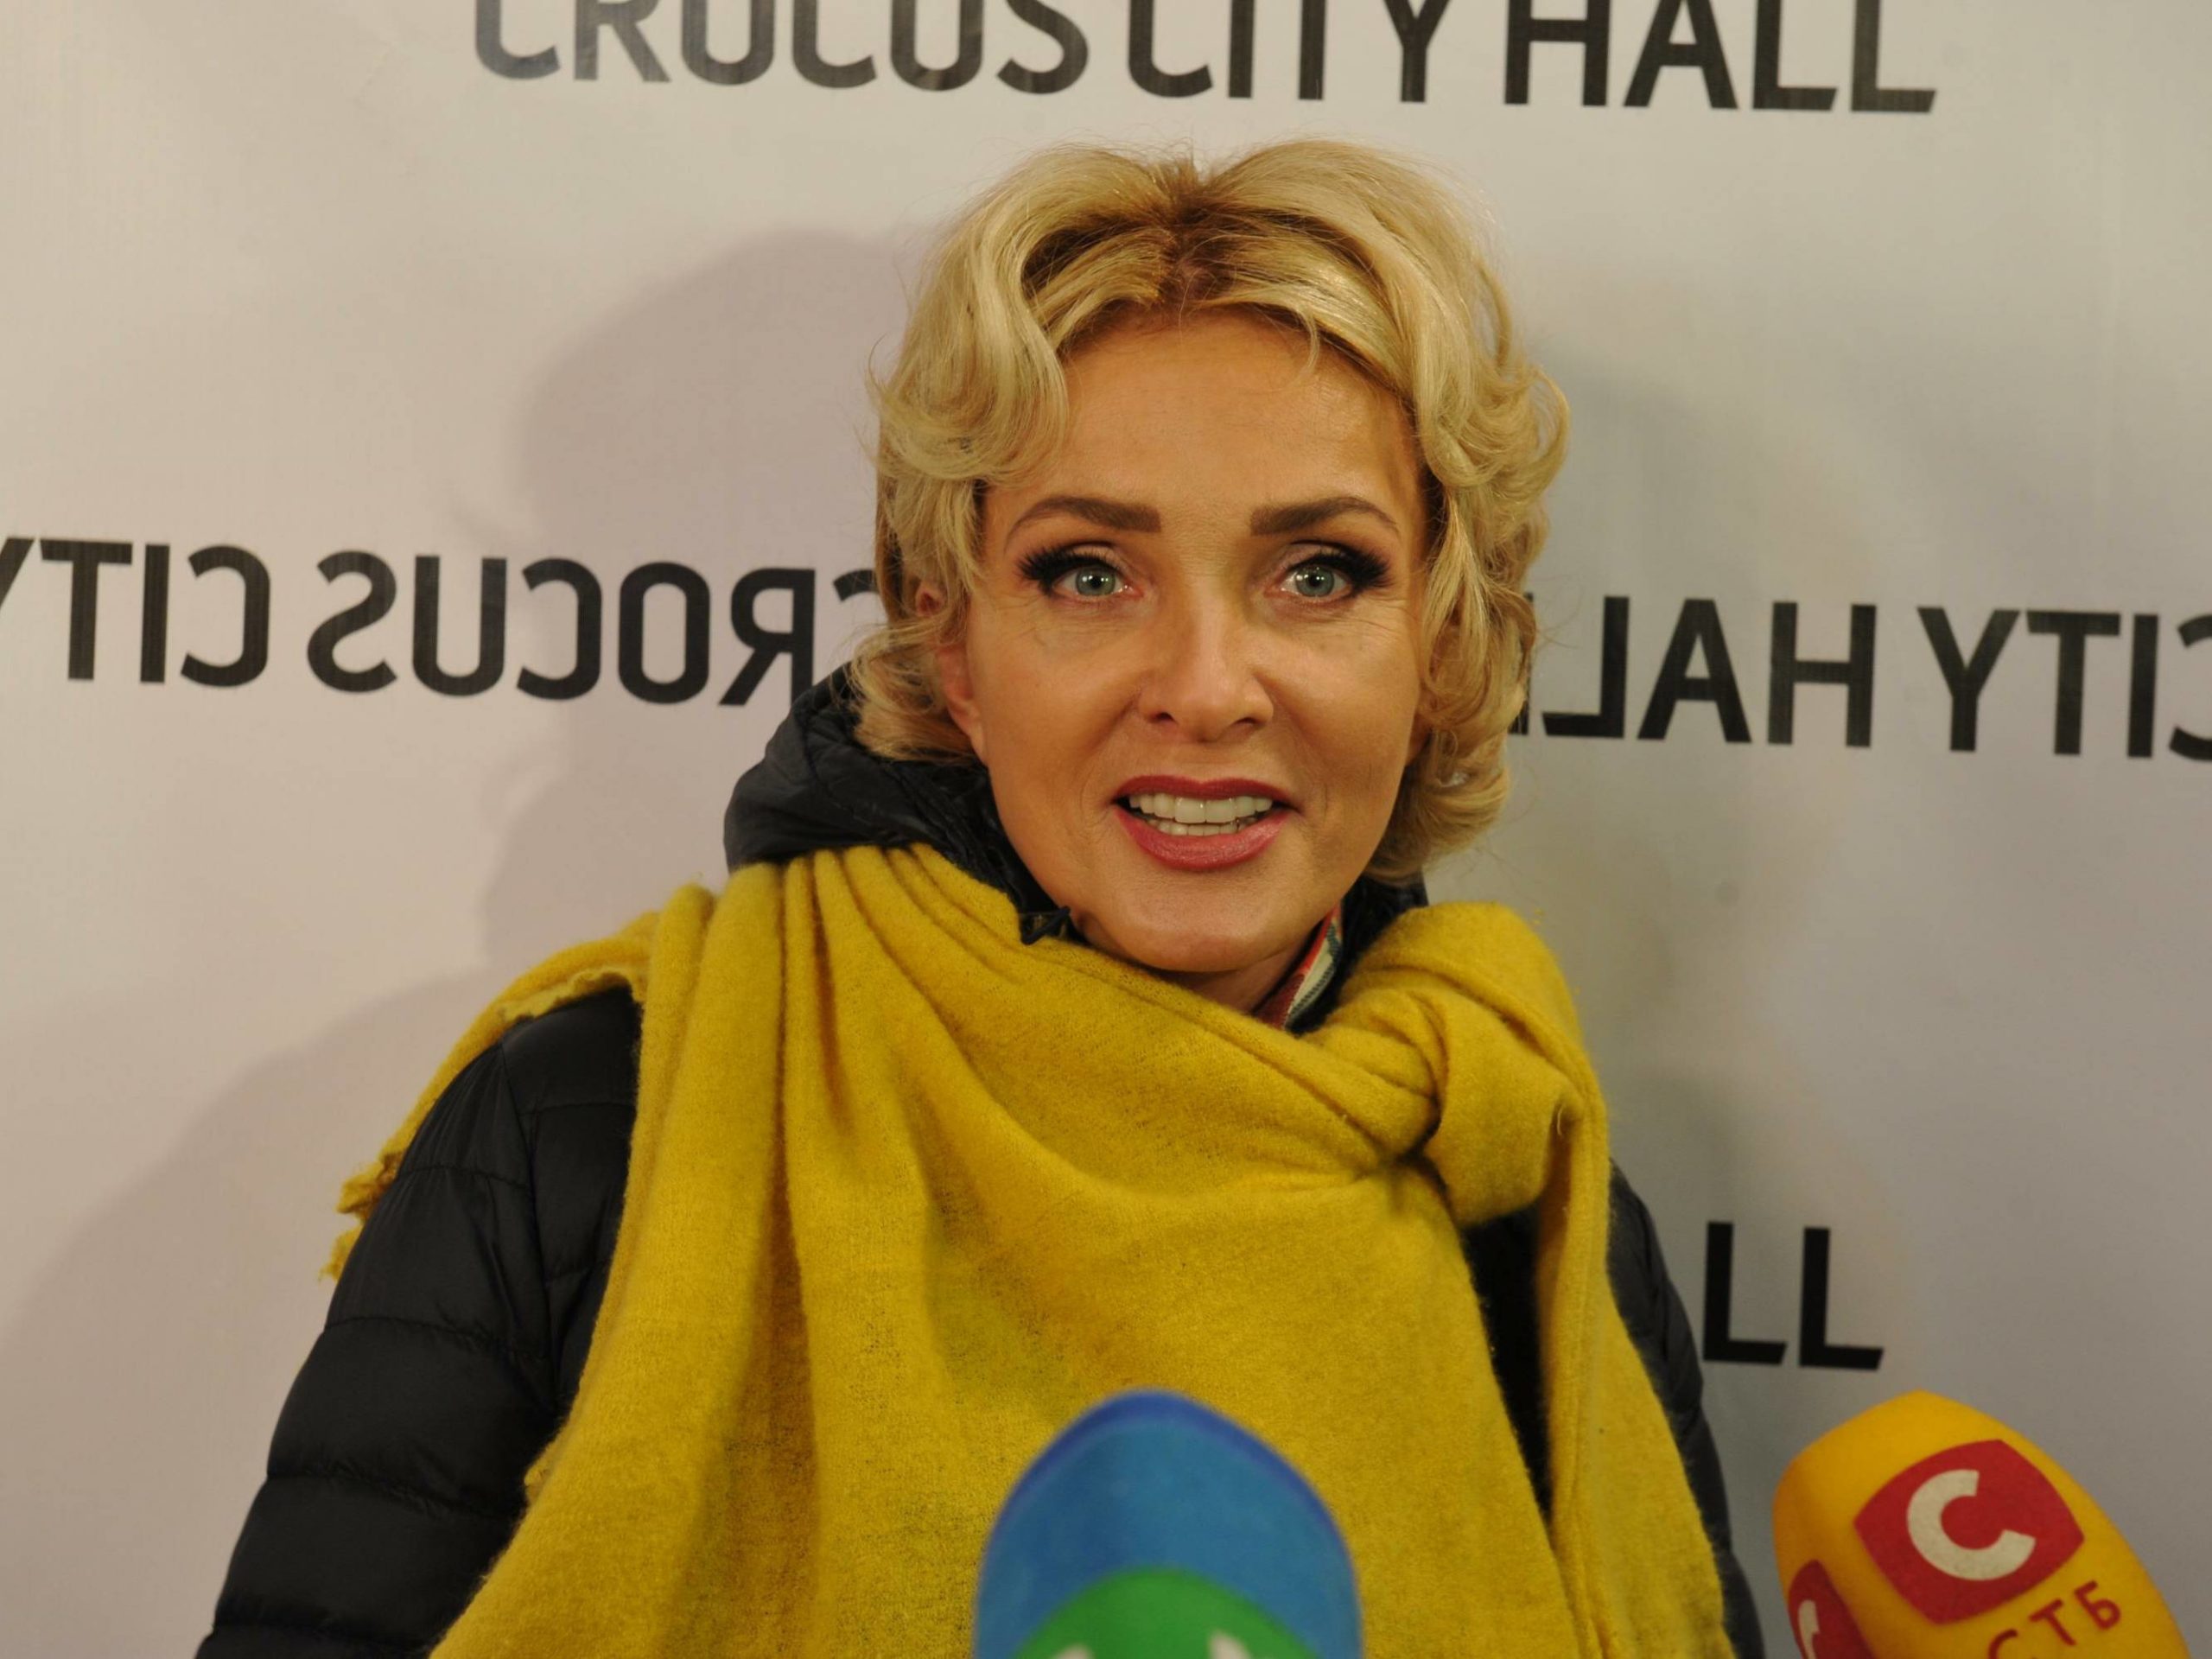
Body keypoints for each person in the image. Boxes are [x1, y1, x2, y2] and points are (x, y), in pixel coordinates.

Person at [199, 138, 1764, 1656]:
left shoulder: (1519, 1170)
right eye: (1090, 572)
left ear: (1441, 642)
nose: (1208, 686)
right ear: (949, 640)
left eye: (1320, 573)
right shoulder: (585, 1125)